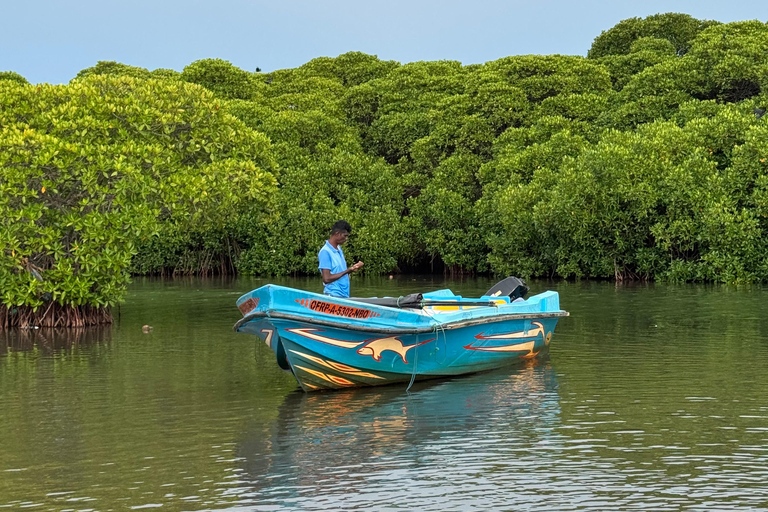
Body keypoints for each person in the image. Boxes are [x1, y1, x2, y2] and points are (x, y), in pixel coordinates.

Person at [317, 220, 363, 298]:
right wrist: (349, 270)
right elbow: (326, 279)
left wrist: (353, 268)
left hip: (343, 295)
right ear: (337, 234)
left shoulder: (339, 249)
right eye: (345, 236)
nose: (346, 239)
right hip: (333, 295)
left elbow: (340, 273)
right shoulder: (325, 252)